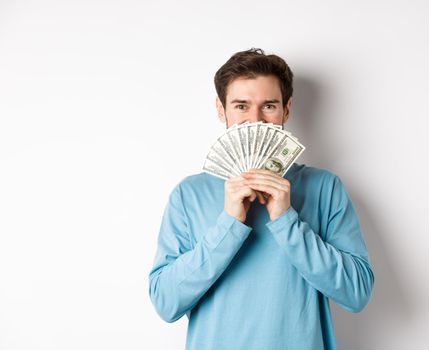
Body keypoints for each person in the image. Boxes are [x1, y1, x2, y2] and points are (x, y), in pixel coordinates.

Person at [148, 48, 375, 350]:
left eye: (268, 105)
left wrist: (286, 220)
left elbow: (356, 293)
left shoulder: (324, 188)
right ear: (221, 109)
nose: (255, 120)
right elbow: (166, 302)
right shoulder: (189, 195)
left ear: (287, 109)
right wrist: (229, 223)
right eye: (241, 106)